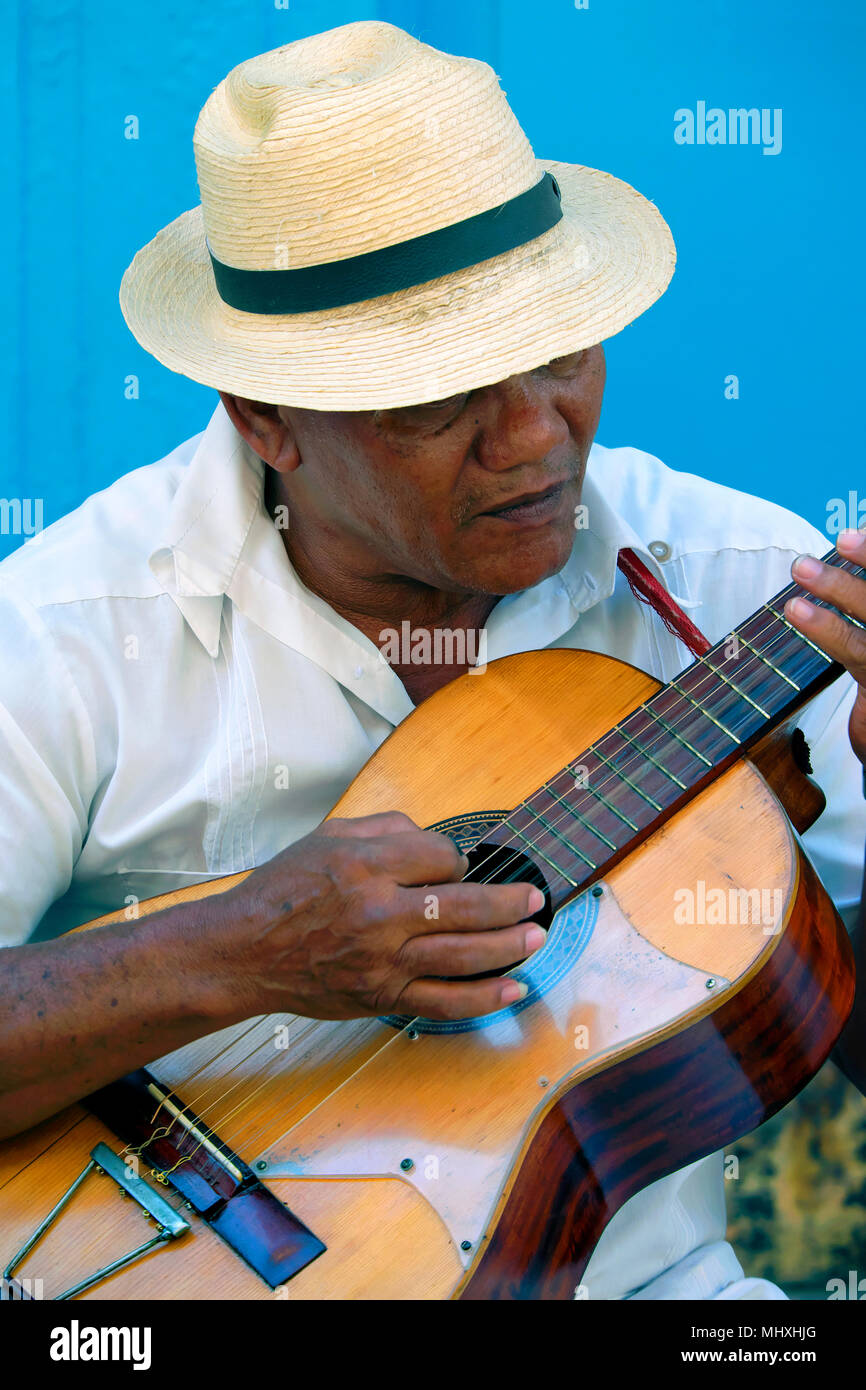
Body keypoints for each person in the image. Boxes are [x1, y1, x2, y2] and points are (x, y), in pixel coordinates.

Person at [0, 20, 864, 1300]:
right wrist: (239, 949)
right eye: (435, 396)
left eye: (560, 356)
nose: (532, 439)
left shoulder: (741, 581)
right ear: (265, 417)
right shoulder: (68, 624)